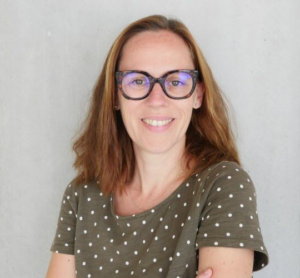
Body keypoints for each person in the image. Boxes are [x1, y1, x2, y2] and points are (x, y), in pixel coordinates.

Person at [46, 15, 269, 277]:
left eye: (175, 81)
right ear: (115, 95)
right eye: (138, 81)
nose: (157, 99)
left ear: (198, 95)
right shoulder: (81, 196)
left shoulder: (223, 185)